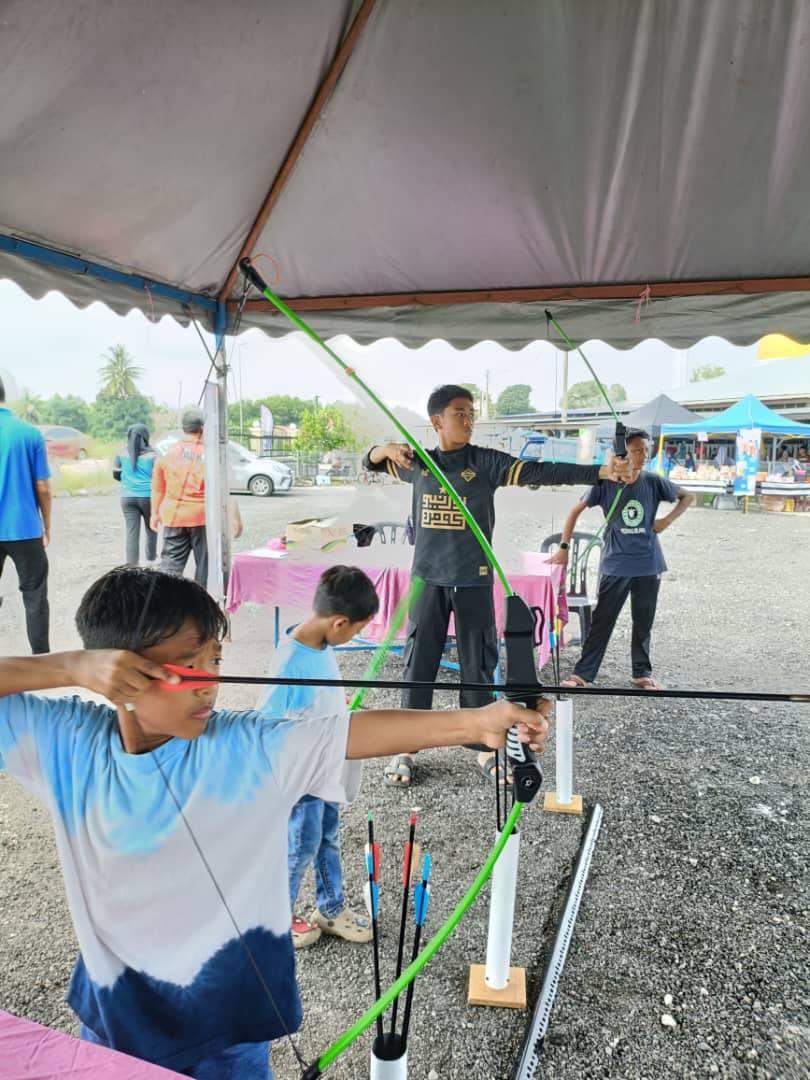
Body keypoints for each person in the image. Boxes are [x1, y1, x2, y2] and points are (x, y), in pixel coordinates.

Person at [0, 566, 549, 1078]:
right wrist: (68, 666)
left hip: (228, 1034)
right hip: (109, 1021)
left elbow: (348, 732)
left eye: (215, 660)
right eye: (189, 665)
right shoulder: (64, 742)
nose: (210, 682)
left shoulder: (247, 745)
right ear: (119, 672)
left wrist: (480, 721)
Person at [362, 383, 630, 788]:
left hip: (473, 580)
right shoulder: (417, 462)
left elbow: (540, 470)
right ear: (437, 422)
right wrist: (385, 447)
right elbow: (371, 461)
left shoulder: (485, 462)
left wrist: (601, 471)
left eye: (471, 412)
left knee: (479, 665)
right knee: (419, 663)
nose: (468, 419)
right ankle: (407, 746)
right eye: (459, 413)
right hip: (427, 582)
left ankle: (485, 745)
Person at [258, 566, 378, 950]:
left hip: (324, 769)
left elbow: (314, 695)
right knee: (303, 844)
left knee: (327, 835)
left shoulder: (318, 644)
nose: (353, 637)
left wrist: (334, 702)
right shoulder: (290, 663)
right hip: (303, 776)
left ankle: (330, 908)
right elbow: (269, 724)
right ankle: (275, 917)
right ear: (339, 621)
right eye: (356, 631)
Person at [551, 429, 695, 690]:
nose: (643, 454)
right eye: (637, 449)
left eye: (646, 449)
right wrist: (563, 548)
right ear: (622, 453)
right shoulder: (605, 482)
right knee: (602, 621)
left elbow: (688, 496)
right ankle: (582, 674)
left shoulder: (653, 481)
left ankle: (641, 673)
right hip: (616, 564)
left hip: (648, 564)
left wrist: (666, 520)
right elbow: (574, 511)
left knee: (643, 621)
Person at [0, 375, 51, 654]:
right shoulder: (28, 433)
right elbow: (42, 487)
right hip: (25, 529)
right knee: (34, 597)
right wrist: (47, 525)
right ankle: (41, 660)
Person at [151, 409, 207, 586]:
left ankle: (166, 604)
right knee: (205, 565)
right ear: (202, 428)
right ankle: (201, 604)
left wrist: (154, 513)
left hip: (173, 516)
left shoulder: (167, 453)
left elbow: (158, 488)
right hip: (202, 517)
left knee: (170, 566)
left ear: (184, 429)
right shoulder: (209, 454)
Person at [113, 423, 157, 565]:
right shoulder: (153, 455)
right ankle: (151, 560)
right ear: (145, 436)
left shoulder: (120, 453)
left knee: (132, 532)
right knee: (151, 529)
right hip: (148, 497)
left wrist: (128, 481)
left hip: (127, 497)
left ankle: (132, 565)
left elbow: (116, 475)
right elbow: (157, 477)